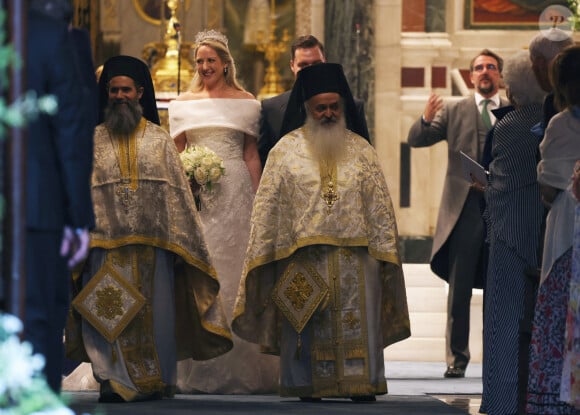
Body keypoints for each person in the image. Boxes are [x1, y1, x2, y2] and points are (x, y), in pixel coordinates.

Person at [232, 63, 410, 402]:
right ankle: (307, 385)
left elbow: (380, 208)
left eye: (334, 107)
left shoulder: (362, 150)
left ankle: (362, 384)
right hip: (302, 258)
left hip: (357, 260)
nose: (328, 114)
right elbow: (269, 207)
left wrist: (385, 250)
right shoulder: (285, 150)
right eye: (321, 108)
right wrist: (269, 251)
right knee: (307, 326)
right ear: (307, 109)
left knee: (358, 323)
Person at [65, 55, 233, 403]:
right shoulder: (90, 140)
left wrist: (184, 246)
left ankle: (155, 380)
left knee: (153, 317)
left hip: (153, 250)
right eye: (114, 90)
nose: (120, 96)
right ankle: (111, 378)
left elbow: (178, 199)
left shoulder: (159, 140)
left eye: (127, 89)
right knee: (107, 313)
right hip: (105, 248)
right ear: (106, 93)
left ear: (140, 92)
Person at [168, 30, 279, 394]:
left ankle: (241, 367)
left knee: (235, 270)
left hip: (236, 195)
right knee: (203, 267)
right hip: (197, 197)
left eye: (210, 61)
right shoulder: (183, 104)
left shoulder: (248, 103)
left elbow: (250, 154)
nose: (204, 67)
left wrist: (259, 196)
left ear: (225, 63)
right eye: (199, 61)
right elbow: (177, 151)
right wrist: (187, 180)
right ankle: (196, 365)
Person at [407, 49, 509, 378]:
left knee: (498, 288)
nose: (484, 72)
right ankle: (457, 359)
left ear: (500, 75)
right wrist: (425, 118)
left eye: (491, 68)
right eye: (479, 68)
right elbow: (417, 140)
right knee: (460, 287)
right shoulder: (455, 110)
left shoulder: (512, 110)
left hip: (502, 209)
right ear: (470, 75)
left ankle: (496, 357)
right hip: (465, 209)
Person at [24, 7, 95, 394]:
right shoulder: (53, 39)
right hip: (37, 205)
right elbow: (72, 133)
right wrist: (78, 217)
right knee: (39, 314)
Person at [472, 50, 545, 415]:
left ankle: (501, 402)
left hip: (510, 235)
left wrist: (484, 187)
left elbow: (501, 185)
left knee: (503, 323)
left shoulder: (511, 125)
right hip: (543, 234)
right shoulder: (551, 119)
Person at [527, 45, 580, 414]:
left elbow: (548, 186)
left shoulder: (562, 124)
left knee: (562, 315)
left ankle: (558, 400)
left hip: (568, 233)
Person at [258, 34, 370, 166]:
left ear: (325, 62)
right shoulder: (272, 109)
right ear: (292, 66)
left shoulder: (353, 107)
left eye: (316, 64)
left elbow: (364, 158)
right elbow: (265, 166)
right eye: (303, 66)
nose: (311, 72)